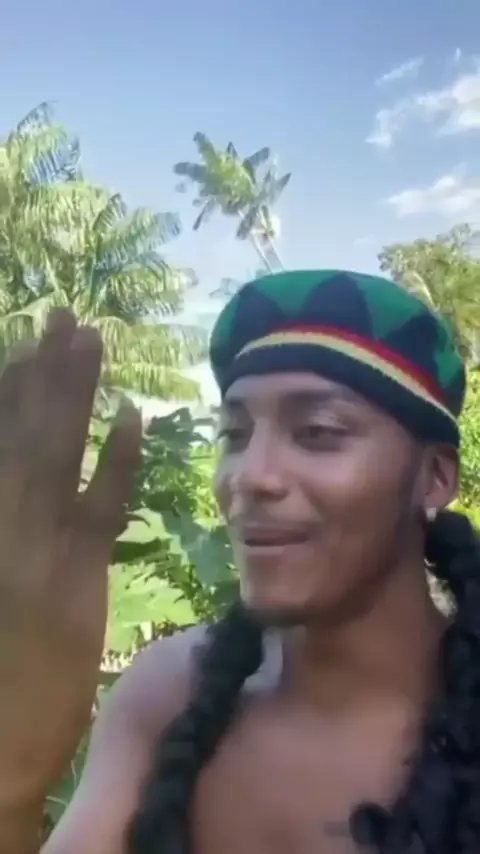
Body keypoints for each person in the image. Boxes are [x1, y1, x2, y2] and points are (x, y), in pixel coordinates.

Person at [1, 270, 479, 854]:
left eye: (318, 431)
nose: (249, 476)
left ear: (435, 477)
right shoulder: (168, 695)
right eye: (235, 434)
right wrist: (12, 779)